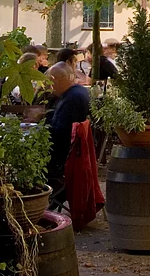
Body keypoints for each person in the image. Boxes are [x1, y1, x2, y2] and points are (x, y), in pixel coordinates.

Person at [44, 62, 91, 199]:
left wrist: (37, 132)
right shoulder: (77, 92)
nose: (50, 88)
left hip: (64, 159)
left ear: (58, 80)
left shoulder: (71, 99)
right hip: (75, 153)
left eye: (50, 83)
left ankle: (35, 201)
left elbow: (59, 134)